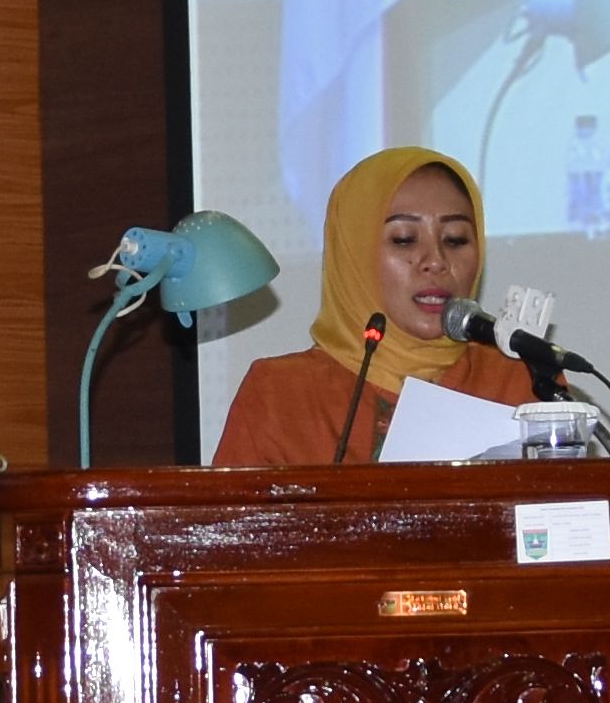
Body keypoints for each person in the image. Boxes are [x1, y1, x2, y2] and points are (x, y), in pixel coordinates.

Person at [210, 146, 533, 466]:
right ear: (353, 254)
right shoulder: (280, 395)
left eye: (456, 239)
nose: (435, 261)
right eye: (404, 238)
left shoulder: (519, 382)